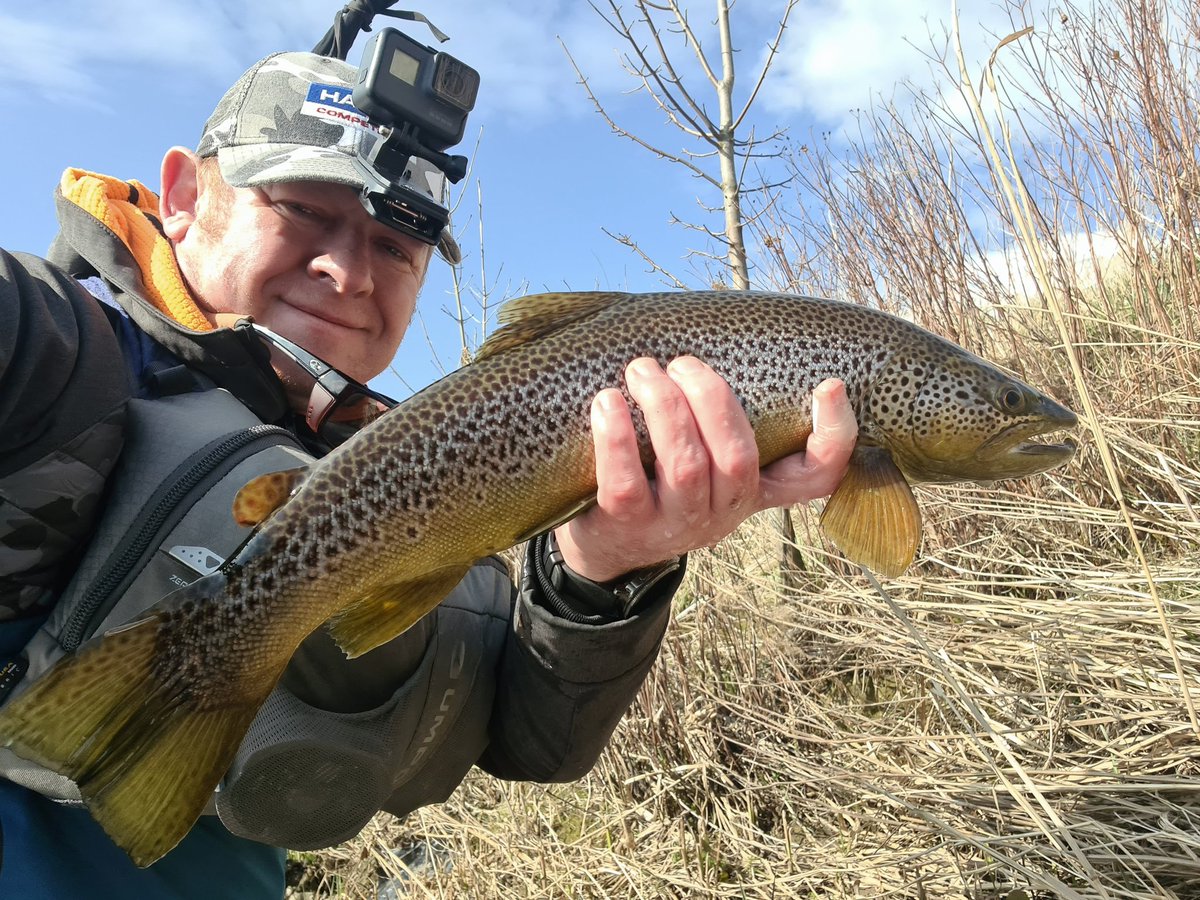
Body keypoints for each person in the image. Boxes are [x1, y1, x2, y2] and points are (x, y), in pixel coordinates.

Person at [0, 51, 857, 898]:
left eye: (394, 246)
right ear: (185, 197)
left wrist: (607, 568)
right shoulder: (51, 348)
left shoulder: (428, 472)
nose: (350, 270)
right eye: (301, 208)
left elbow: (529, 742)